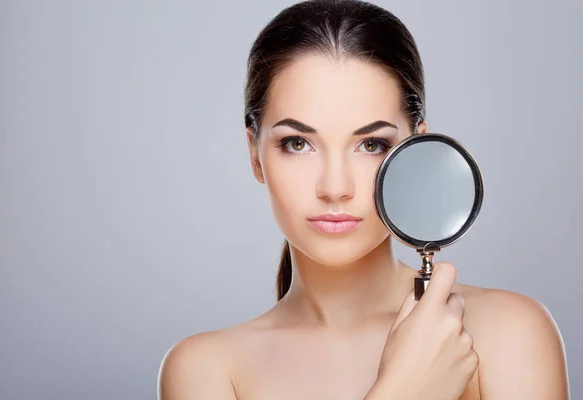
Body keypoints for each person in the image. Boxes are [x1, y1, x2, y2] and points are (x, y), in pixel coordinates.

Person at [158, 1, 570, 399]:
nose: (335, 187)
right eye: (298, 143)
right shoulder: (206, 369)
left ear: (416, 149)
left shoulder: (507, 333)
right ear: (254, 154)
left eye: (371, 144)